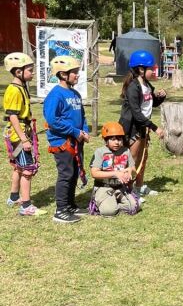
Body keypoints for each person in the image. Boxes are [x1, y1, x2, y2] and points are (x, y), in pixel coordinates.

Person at [43, 55, 90, 224]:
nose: (78, 75)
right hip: (62, 142)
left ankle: (70, 205)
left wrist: (84, 131)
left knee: (74, 172)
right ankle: (61, 210)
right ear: (63, 74)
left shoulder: (75, 94)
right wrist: (74, 131)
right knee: (66, 174)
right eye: (74, 72)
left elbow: (82, 116)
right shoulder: (56, 95)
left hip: (77, 140)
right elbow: (52, 120)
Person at [119, 50, 166, 198]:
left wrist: (161, 97)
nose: (153, 71)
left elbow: (151, 104)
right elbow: (137, 114)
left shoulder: (146, 85)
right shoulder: (133, 87)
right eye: (151, 68)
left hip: (143, 126)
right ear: (141, 69)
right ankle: (128, 190)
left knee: (143, 157)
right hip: (133, 127)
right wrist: (155, 127)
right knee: (132, 159)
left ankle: (139, 187)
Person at [3, 52, 45, 216]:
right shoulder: (14, 90)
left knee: (19, 167)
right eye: (30, 70)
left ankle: (14, 197)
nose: (33, 73)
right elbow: (13, 116)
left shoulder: (20, 87)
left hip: (20, 132)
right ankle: (26, 206)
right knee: (27, 169)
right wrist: (24, 139)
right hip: (18, 134)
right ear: (18, 71)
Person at [89, 122, 139, 216]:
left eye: (119, 139)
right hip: (104, 187)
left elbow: (133, 169)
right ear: (106, 140)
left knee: (134, 207)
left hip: (120, 187)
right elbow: (94, 173)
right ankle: (102, 203)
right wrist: (115, 173)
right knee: (108, 211)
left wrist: (130, 171)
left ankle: (114, 204)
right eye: (113, 139)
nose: (117, 142)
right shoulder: (100, 152)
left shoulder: (126, 151)